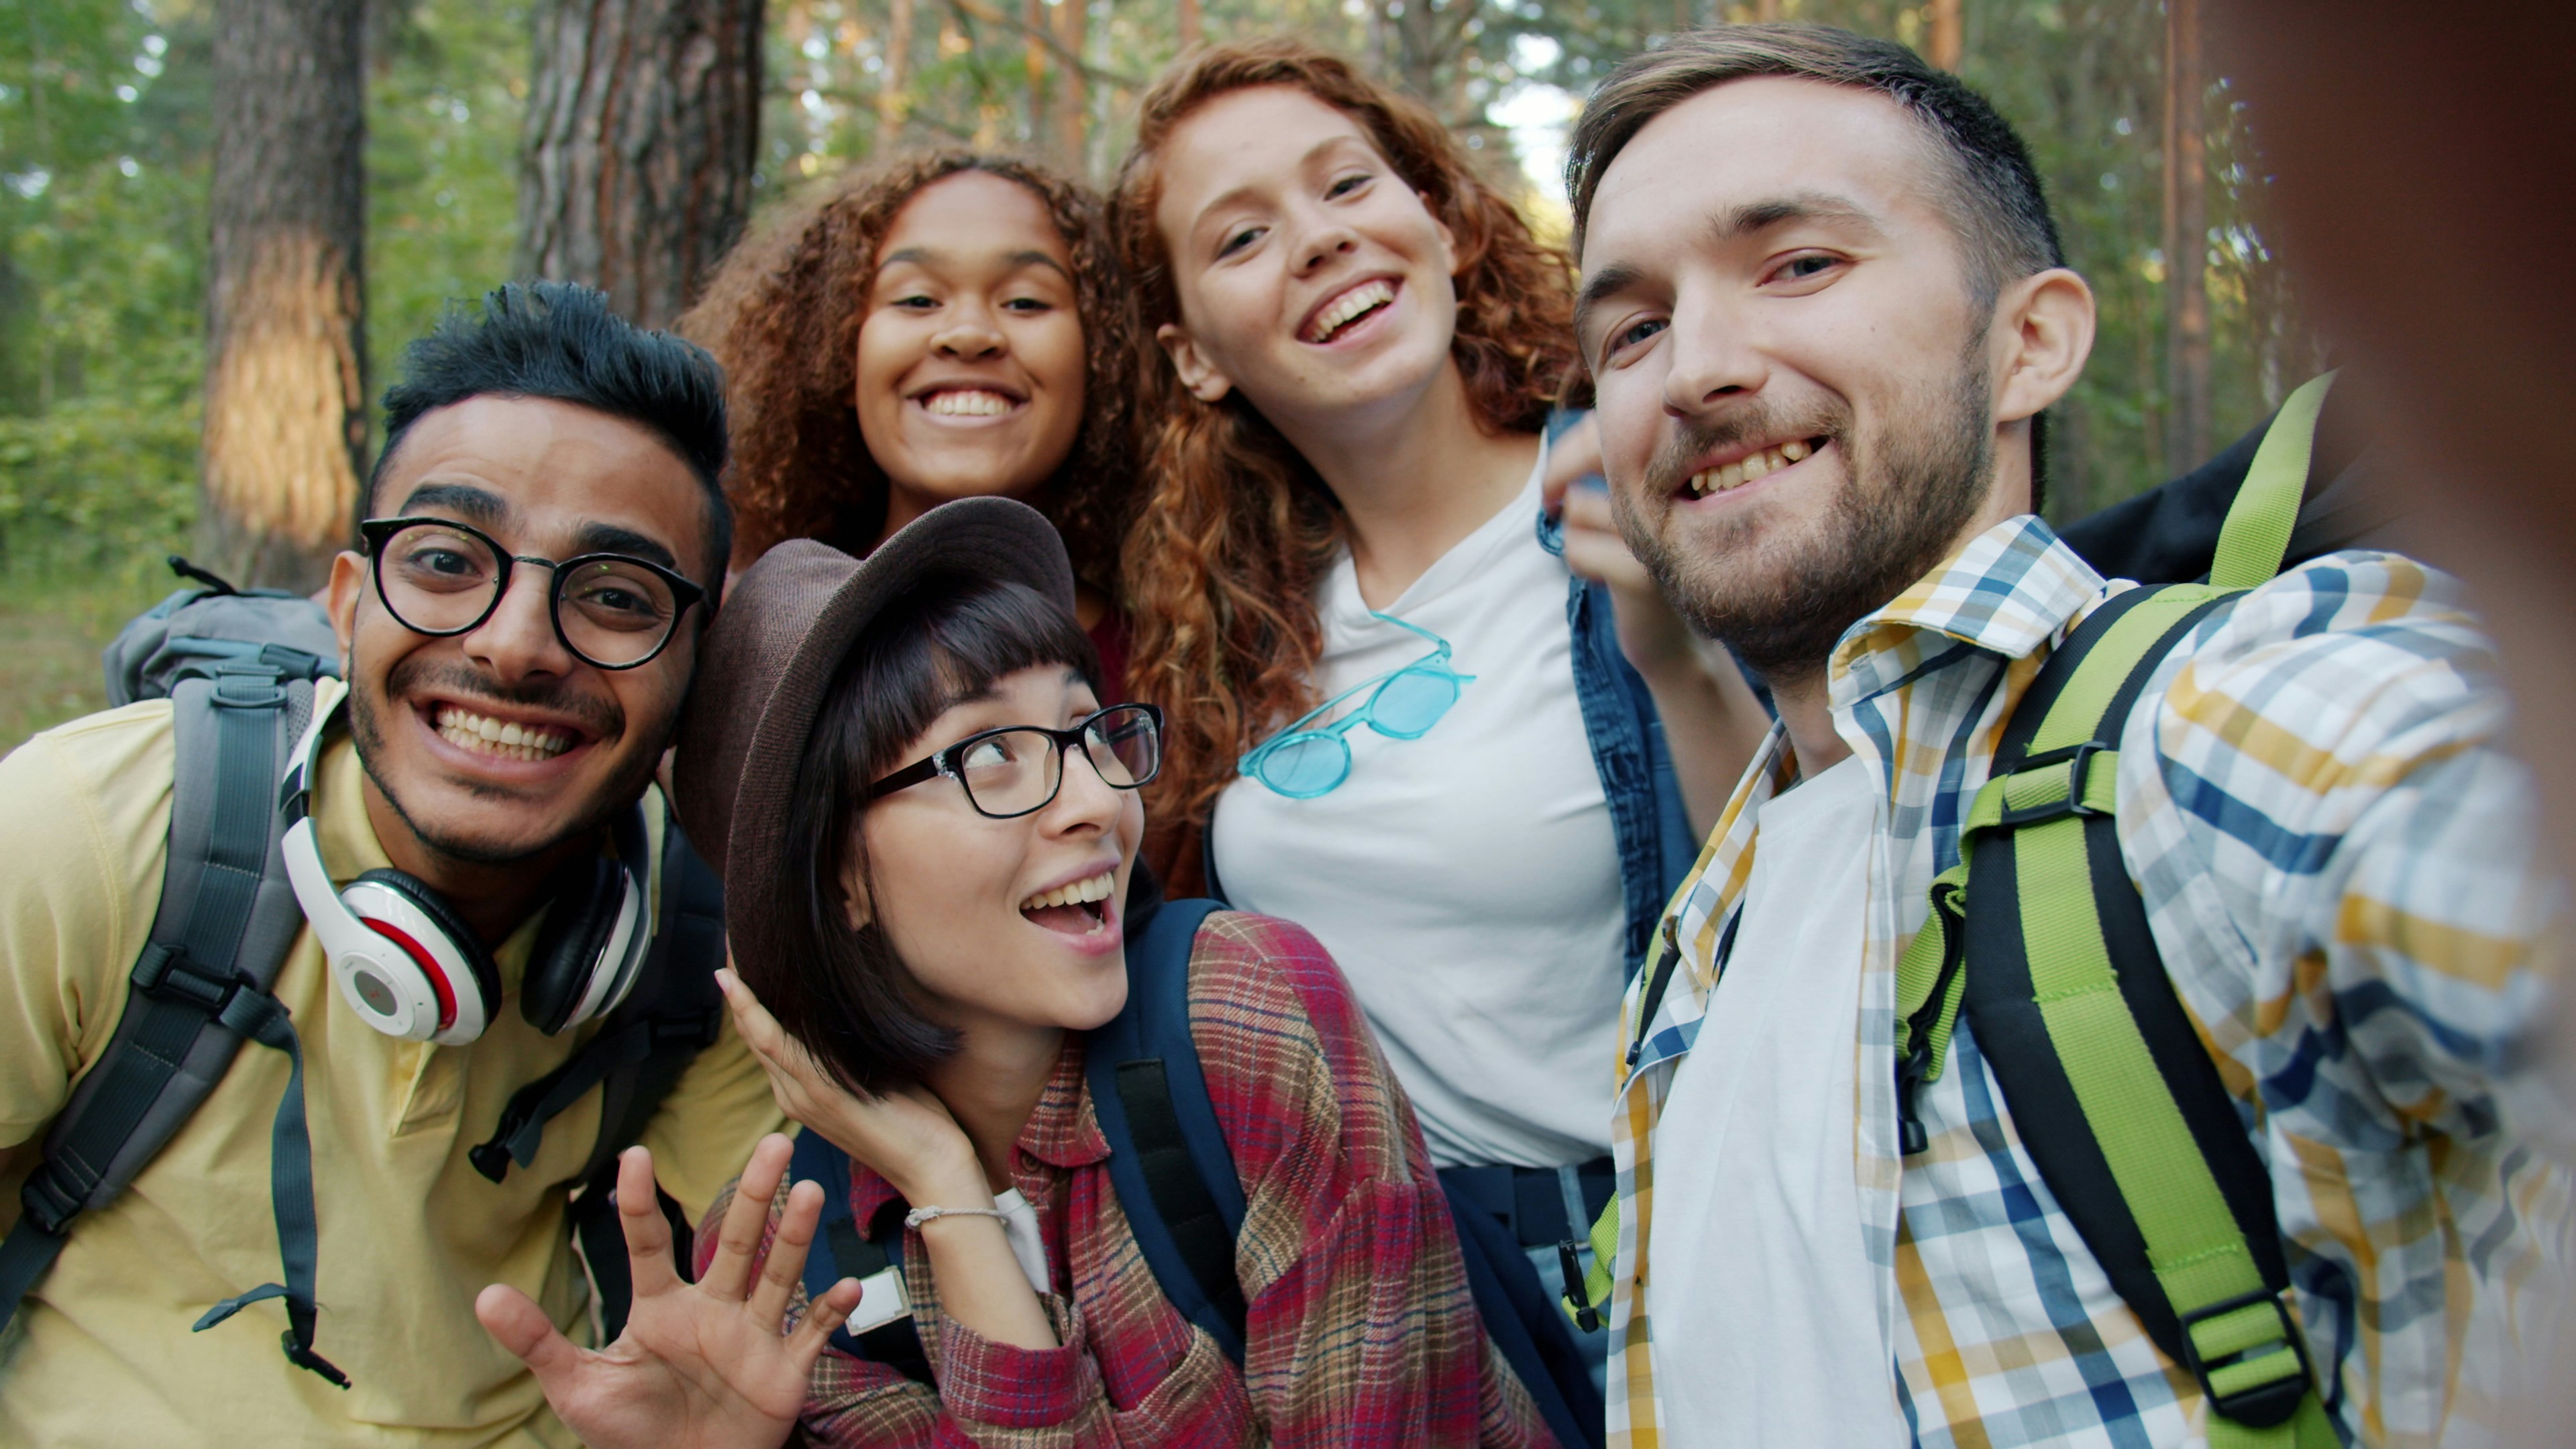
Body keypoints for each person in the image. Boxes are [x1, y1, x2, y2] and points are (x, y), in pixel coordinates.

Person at [1564, 23, 2571, 1449]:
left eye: (1799, 265)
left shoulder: (2223, 725)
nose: (1697, 367)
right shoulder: (1694, 951)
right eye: (1633, 329)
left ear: (2031, 341)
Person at [474, 498, 1553, 1448]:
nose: (1091, 800)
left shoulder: (1237, 1017)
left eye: (1088, 732)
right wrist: (942, 1193)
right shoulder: (792, 1263)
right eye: (991, 756)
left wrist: (949, 1196)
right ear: (837, 877)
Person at [1108, 42, 1770, 1421]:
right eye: (1242, 236)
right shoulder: (1237, 631)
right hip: (1399, 1304)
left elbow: (1811, 884)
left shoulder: (1643, 483)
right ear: (1195, 355)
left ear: (1438, 222)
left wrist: (1678, 658)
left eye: (1348, 183)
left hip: (1673, 1263)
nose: (1320, 239)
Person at [0, 282, 786, 1444]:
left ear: (697, 661)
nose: (513, 646)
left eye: (616, 596)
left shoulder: (698, 946)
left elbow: (757, 1314)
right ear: (348, 602)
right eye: (445, 561)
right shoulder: (89, 832)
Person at [680, 150, 1139, 688]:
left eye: (1025, 303)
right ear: (836, 353)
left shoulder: (1178, 670)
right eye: (918, 299)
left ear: (1103, 360)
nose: (968, 333)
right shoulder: (735, 642)